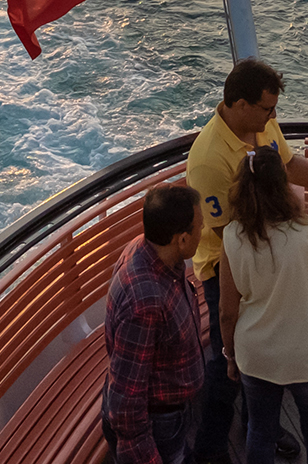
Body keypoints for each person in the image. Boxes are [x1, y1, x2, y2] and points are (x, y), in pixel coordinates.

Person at [187, 58, 308, 463]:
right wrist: (303, 228)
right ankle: (210, 448)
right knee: (226, 364)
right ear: (241, 104)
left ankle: (262, 424)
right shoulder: (208, 159)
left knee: (254, 363)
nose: (274, 116)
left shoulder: (260, 125)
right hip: (227, 261)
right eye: (267, 109)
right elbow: (230, 236)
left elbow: (289, 165)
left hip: (263, 242)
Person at [219, 144, 308, 464]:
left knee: (260, 433)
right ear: (283, 185)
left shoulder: (232, 236)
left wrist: (230, 356)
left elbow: (227, 311)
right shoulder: (307, 229)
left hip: (258, 355)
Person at [102, 184, 208, 464]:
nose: (203, 230)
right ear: (182, 240)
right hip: (158, 422)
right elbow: (126, 402)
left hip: (171, 410)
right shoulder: (144, 302)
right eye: (199, 226)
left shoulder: (150, 250)